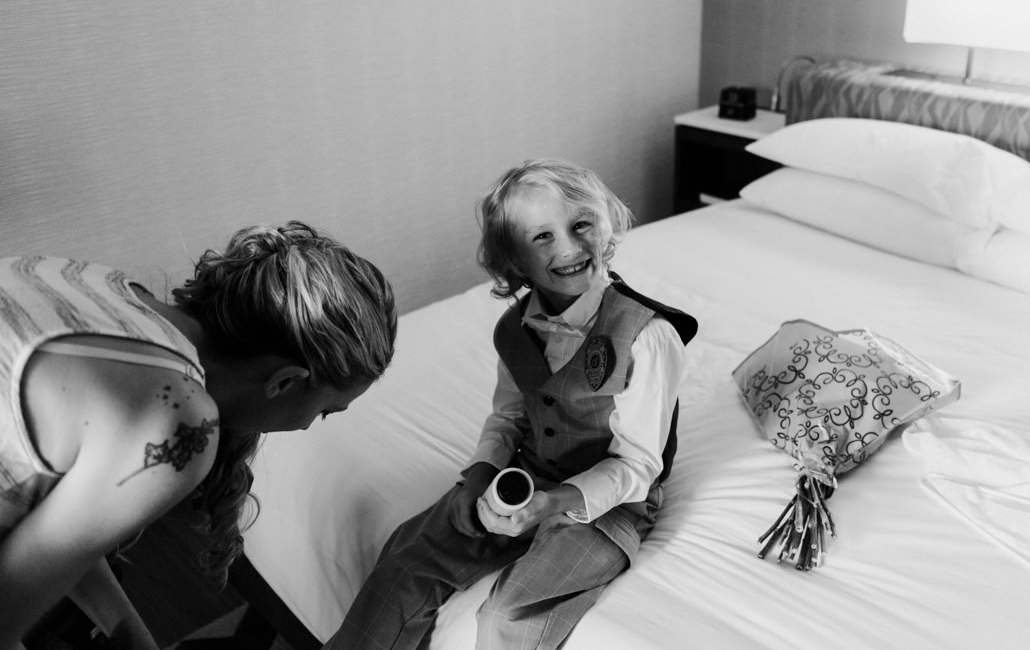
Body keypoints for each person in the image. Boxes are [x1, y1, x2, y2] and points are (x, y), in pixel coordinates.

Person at [325, 159, 697, 650]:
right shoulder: (513, 329)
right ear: (515, 261)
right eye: (542, 237)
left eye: (582, 223)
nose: (569, 246)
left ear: (609, 226)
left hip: (610, 505)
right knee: (408, 558)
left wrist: (556, 504)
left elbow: (640, 464)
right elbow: (509, 416)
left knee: (508, 613)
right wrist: (478, 477)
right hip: (526, 476)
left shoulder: (649, 336)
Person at [0, 222, 397, 650]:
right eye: (323, 413)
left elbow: (58, 536)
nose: (304, 427)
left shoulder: (95, 280)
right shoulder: (180, 423)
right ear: (285, 382)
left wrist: (132, 634)